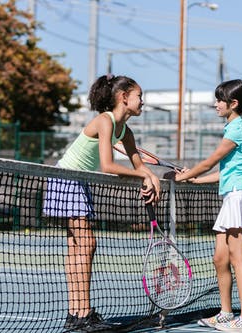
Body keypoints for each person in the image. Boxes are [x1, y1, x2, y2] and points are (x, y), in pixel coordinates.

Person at [43, 74, 161, 332]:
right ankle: (82, 314)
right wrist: (144, 175)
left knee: (78, 246)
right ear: (124, 97)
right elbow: (108, 166)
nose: (143, 101)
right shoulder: (105, 121)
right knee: (85, 244)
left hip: (79, 181)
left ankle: (76, 313)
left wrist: (151, 178)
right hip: (67, 177)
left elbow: (138, 166)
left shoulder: (125, 131)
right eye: (139, 96)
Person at [173, 79, 242, 332]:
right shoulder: (236, 126)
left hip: (238, 197)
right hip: (231, 194)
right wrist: (195, 178)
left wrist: (180, 177)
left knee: (238, 258)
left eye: (219, 100)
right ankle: (226, 313)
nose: (215, 104)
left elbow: (211, 160)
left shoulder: (236, 128)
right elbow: (225, 172)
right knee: (220, 258)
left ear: (233, 104)